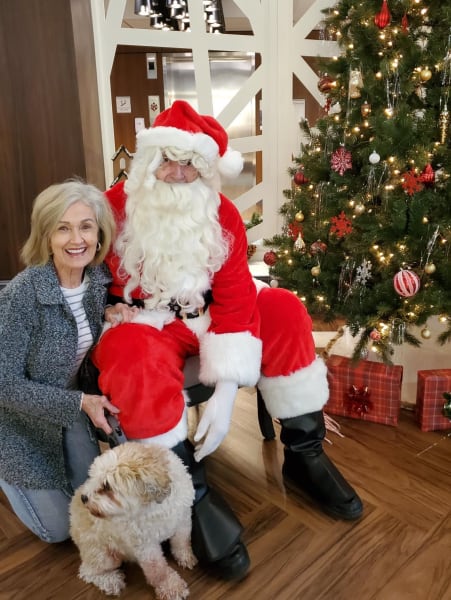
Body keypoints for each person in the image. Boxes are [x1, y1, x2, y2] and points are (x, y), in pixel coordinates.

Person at [90, 100, 363, 581]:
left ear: (207, 170)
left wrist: (224, 392)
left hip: (209, 316)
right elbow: (80, 279)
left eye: (191, 163)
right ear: (148, 162)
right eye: (167, 159)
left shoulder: (223, 215)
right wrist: (106, 308)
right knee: (131, 356)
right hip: (144, 325)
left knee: (282, 307)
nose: (177, 173)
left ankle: (306, 454)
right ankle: (185, 494)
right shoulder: (111, 209)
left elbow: (237, 298)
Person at [0, 179, 126, 543]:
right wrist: (80, 402)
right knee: (58, 531)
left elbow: (80, 330)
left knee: (92, 503)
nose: (77, 240)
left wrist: (111, 313)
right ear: (46, 236)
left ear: (99, 233)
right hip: (16, 421)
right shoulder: (24, 293)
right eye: (63, 228)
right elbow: (4, 384)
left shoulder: (100, 280)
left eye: (86, 226)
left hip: (67, 410)